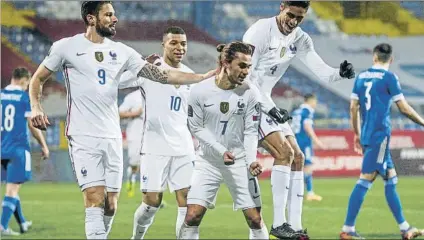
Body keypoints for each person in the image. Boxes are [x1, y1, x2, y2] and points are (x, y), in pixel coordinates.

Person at [28, 2, 215, 239]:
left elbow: (162, 74)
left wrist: (200, 77)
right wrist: (36, 107)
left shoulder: (122, 51)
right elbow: (37, 79)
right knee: (94, 198)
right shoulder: (66, 47)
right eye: (108, 15)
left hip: (113, 135)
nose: (114, 19)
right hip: (83, 134)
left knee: (110, 205)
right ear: (91, 18)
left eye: (114, 14)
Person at [242, 1, 356, 238]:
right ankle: (279, 223)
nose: (293, 22)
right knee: (284, 154)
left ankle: (294, 225)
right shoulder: (259, 32)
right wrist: (269, 108)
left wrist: (339, 73)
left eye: (300, 18)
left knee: (298, 157)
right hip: (248, 101)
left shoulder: (300, 38)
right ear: (281, 7)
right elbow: (244, 78)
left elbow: (321, 70)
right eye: (290, 15)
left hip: (267, 102)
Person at [178, 41, 268, 240]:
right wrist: (220, 150)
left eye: (249, 66)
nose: (246, 71)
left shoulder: (251, 92)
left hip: (240, 160)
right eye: (242, 66)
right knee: (192, 215)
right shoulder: (199, 91)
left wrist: (252, 159)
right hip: (208, 161)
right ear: (226, 63)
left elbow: (252, 131)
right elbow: (196, 127)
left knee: (254, 218)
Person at [340, 43, 424, 240]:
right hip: (380, 136)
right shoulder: (389, 78)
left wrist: (357, 134)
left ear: (374, 57)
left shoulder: (361, 77)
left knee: (391, 178)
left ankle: (406, 228)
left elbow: (353, 108)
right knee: (365, 179)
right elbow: (403, 108)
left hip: (368, 134)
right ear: (391, 60)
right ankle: (347, 229)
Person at [129, 26, 197, 239]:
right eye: (174, 43)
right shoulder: (149, 70)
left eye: (183, 44)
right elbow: (119, 82)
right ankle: (137, 237)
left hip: (183, 147)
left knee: (188, 204)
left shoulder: (190, 75)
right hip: (154, 147)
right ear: (163, 45)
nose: (179, 47)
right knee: (151, 204)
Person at [1, 67, 50, 236]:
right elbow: (32, 124)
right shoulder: (23, 97)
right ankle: (2, 225)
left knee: (12, 186)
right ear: (24, 80)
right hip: (18, 149)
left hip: (2, 148)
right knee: (12, 190)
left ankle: (22, 223)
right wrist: (44, 145)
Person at [291, 93, 326, 201]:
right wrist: (317, 141)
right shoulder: (308, 111)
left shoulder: (296, 111)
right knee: (308, 168)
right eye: (315, 101)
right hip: (304, 142)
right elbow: (307, 126)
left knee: (296, 168)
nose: (315, 104)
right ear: (310, 101)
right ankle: (309, 193)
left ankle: (293, 191)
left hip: (295, 141)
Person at [118, 89, 144, 197]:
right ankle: (131, 179)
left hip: (153, 133)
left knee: (150, 164)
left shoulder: (156, 93)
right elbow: (120, 112)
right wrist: (135, 113)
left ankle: (151, 194)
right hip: (135, 132)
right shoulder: (133, 96)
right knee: (135, 162)